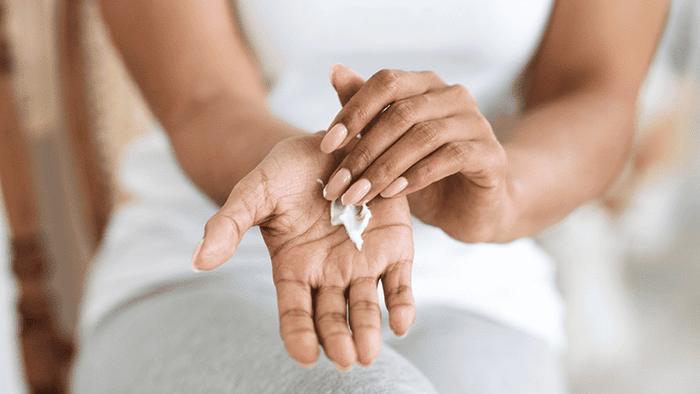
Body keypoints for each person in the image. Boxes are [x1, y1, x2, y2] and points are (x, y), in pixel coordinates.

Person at [72, 0, 668, 392]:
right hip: (204, 264)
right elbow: (200, 99)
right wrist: (318, 175)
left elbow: (597, 92)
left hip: (481, 286)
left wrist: (504, 194)